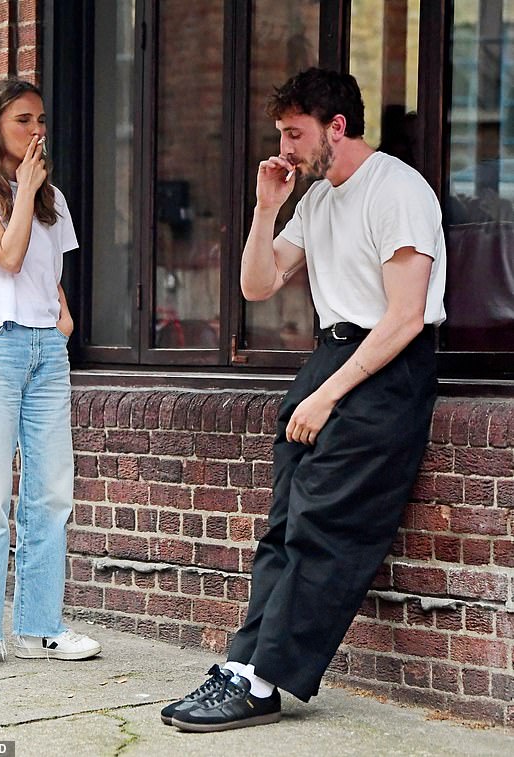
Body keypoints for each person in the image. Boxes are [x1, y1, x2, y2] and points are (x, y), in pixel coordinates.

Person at [161, 67, 446, 732]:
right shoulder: (316, 200)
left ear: (336, 127)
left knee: (322, 528)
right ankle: (243, 664)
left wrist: (328, 395)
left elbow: (404, 317)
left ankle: (264, 680)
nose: (285, 147)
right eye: (282, 134)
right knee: (285, 523)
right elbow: (256, 285)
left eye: (295, 133)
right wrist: (267, 206)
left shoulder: (396, 190)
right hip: (330, 356)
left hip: (386, 367)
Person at [0, 78, 101, 670]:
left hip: (44, 354)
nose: (36, 131)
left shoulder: (50, 197)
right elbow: (5, 254)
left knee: (51, 492)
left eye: (40, 120)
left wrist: (61, 316)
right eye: (23, 121)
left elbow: (41, 268)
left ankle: (42, 624)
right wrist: (25, 190)